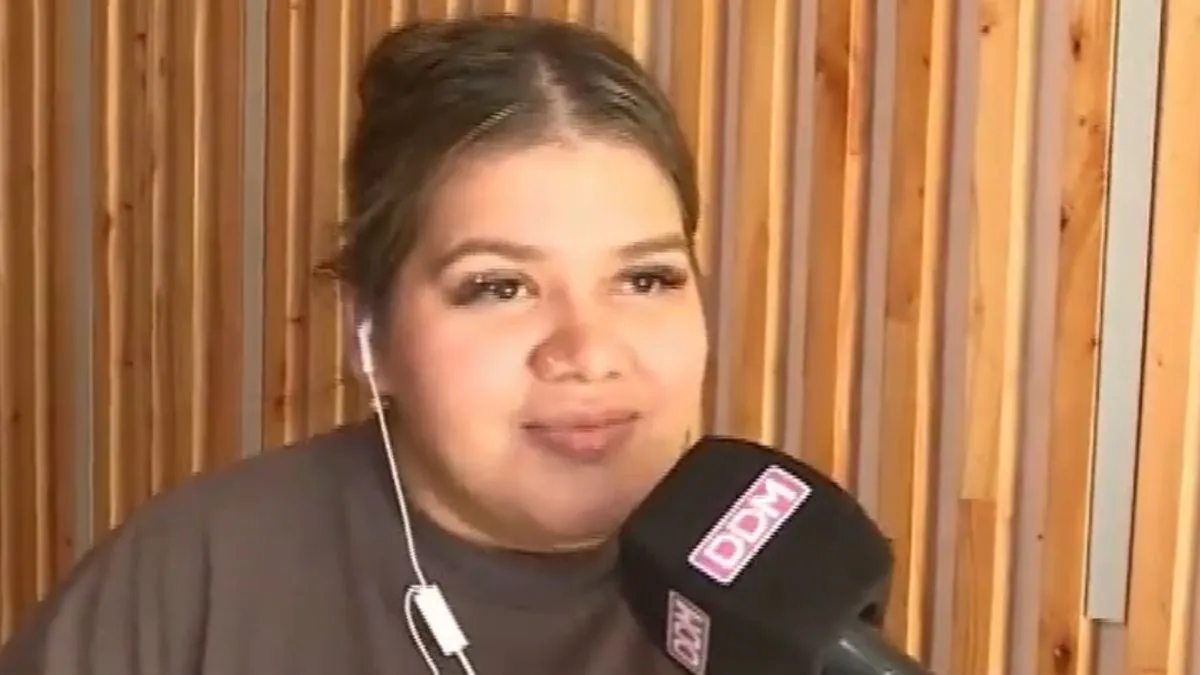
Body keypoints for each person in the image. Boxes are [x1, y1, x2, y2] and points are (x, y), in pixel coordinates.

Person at [0, 14, 709, 675]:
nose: (589, 353)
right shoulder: (193, 583)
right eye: (500, 286)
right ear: (370, 331)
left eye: (645, 279)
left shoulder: (770, 583)